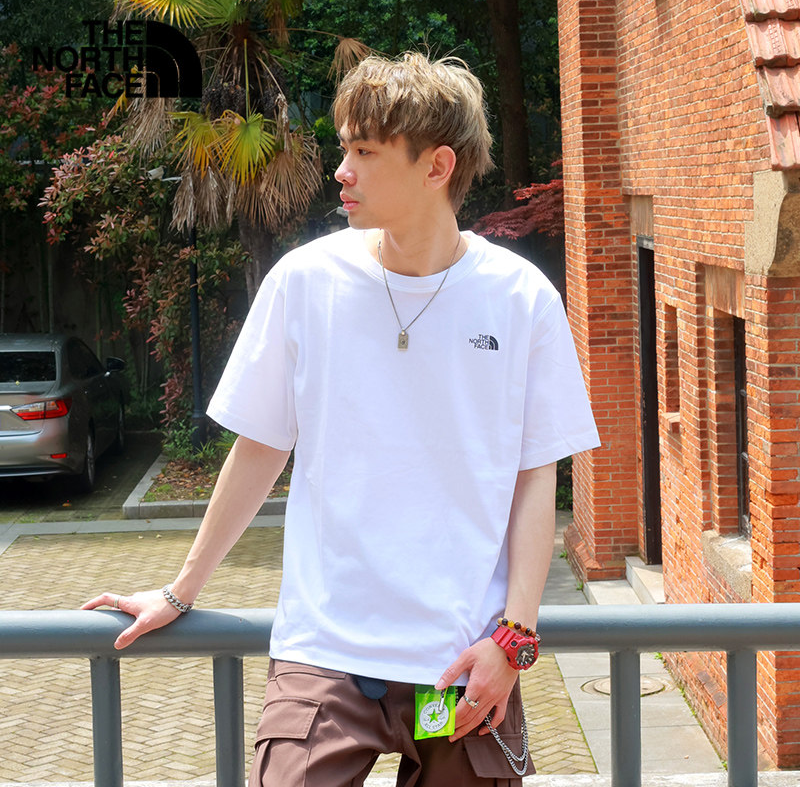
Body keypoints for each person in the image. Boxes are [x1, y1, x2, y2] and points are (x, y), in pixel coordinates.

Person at [83, 52, 600, 786]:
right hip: (324, 660)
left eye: (364, 152)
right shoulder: (306, 281)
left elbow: (533, 478)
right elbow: (259, 448)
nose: (341, 170)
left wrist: (513, 639)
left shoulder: (520, 299)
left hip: (455, 669)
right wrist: (179, 591)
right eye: (344, 148)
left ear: (437, 166)